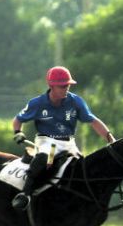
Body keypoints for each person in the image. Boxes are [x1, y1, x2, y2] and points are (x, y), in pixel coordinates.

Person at [10, 66, 116, 211]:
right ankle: (25, 194)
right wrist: (18, 132)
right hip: (49, 142)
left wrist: (109, 137)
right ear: (51, 86)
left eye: (68, 85)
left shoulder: (76, 102)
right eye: (63, 86)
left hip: (69, 144)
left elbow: (93, 121)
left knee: (83, 169)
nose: (66, 88)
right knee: (46, 161)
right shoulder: (38, 103)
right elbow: (17, 120)